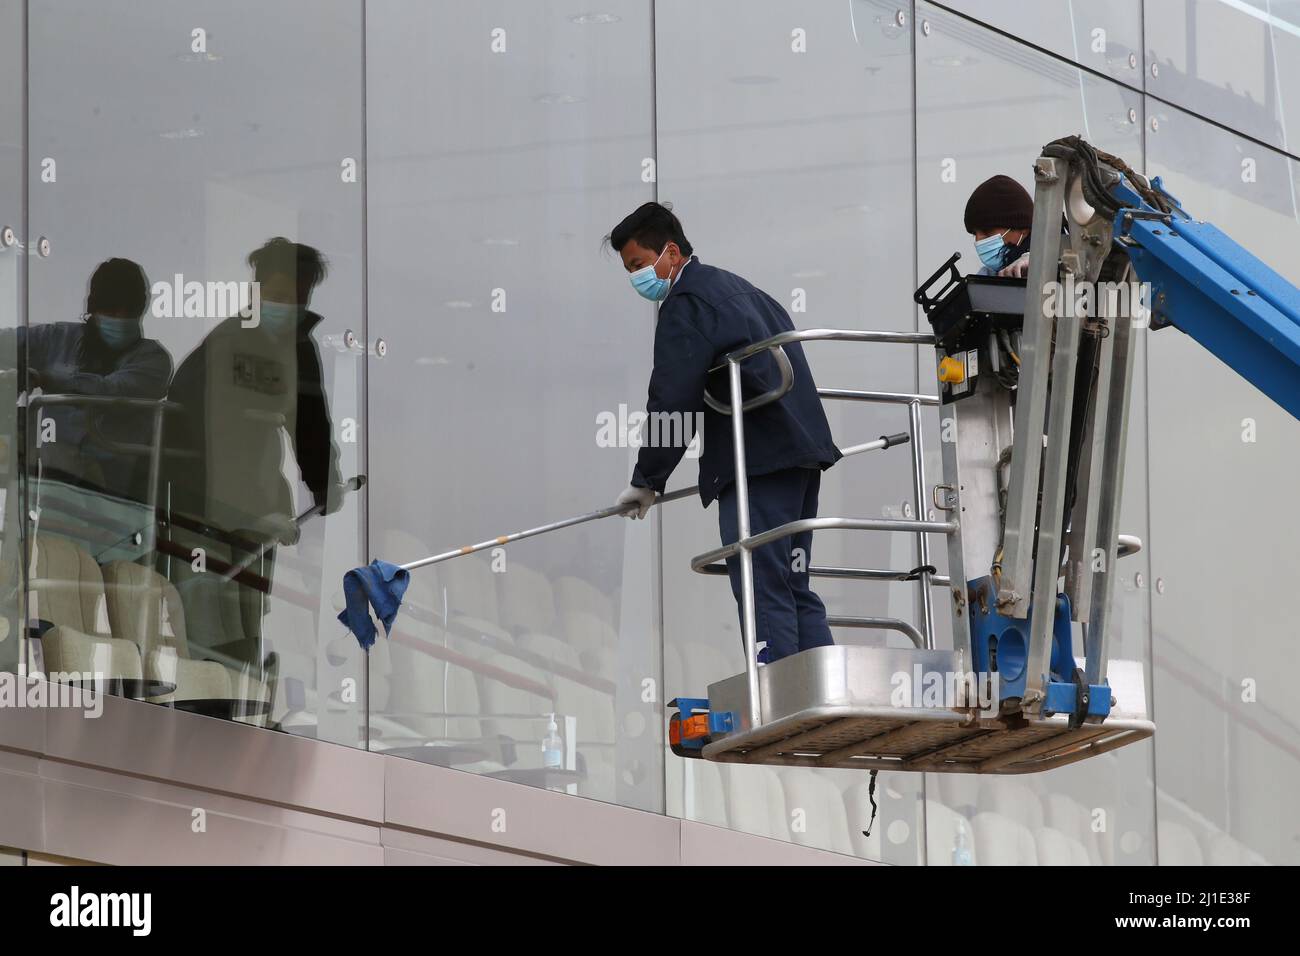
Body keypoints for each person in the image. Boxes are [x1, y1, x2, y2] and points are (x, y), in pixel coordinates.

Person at [605, 202, 840, 664]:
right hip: (800, 457)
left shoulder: (687, 304)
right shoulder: (744, 291)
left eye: (637, 265)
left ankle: (778, 710)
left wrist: (647, 480)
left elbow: (673, 398)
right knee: (793, 584)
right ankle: (825, 698)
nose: (635, 277)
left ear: (670, 253)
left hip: (758, 463)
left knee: (761, 584)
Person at [159, 238, 344, 662]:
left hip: (252, 517)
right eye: (277, 294)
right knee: (211, 628)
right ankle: (217, 714)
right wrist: (257, 513)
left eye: (295, 297)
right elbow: (220, 440)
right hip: (201, 512)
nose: (286, 304)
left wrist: (325, 484)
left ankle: (242, 707)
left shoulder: (299, 349)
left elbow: (312, 426)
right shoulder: (230, 346)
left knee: (247, 622)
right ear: (256, 290)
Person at [16, 257, 173, 505]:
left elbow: (110, 390)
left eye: (128, 311)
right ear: (93, 307)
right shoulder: (57, 339)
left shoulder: (154, 361)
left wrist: (43, 377)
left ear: (141, 309)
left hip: (112, 497)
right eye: (111, 309)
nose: (119, 317)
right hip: (44, 490)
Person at [964, 174, 1034, 278]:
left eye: (987, 231)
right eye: (975, 234)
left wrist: (1036, 263)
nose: (978, 241)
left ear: (1023, 230)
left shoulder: (1057, 267)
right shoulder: (986, 277)